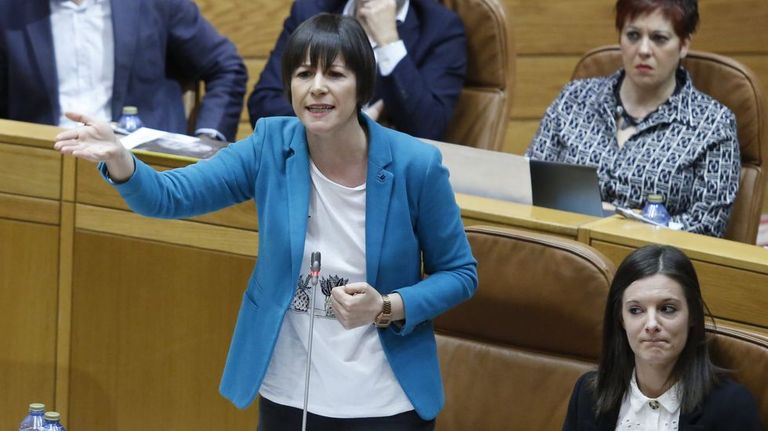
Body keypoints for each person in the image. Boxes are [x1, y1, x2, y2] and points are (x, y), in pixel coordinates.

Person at [54, 13, 477, 430]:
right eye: (303, 73)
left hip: (385, 401)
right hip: (289, 393)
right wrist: (121, 159)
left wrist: (386, 307)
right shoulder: (270, 146)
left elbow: (460, 273)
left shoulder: (414, 165)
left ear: (362, 85)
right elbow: (169, 196)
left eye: (334, 74)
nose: (316, 88)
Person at [526, 0, 740, 238]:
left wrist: (617, 225)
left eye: (659, 38)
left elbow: (707, 227)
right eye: (633, 35)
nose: (644, 50)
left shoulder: (712, 124)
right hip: (563, 250)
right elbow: (526, 185)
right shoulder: (574, 98)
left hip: (651, 266)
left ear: (683, 45)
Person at [562, 245, 763, 430]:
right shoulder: (589, 394)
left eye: (667, 309)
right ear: (620, 319)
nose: (651, 325)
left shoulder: (732, 407)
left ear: (692, 314)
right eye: (635, 310)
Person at [0, 0, 247, 142]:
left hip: (146, 169)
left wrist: (207, 143)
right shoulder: (9, 10)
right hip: (44, 167)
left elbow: (225, 66)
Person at [247, 0, 467, 141]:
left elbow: (427, 130)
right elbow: (264, 104)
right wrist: (348, 126)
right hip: (303, 163)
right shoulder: (312, 10)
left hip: (387, 177)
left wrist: (389, 42)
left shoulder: (440, 28)